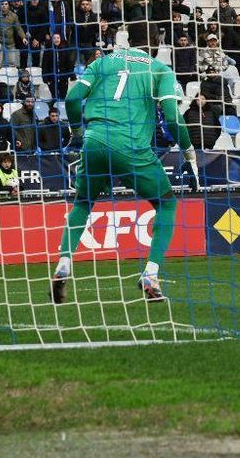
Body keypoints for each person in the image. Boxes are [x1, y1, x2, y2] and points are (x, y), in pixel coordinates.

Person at [52, 23, 199, 304]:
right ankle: (151, 274)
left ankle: (64, 262)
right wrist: (190, 153)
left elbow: (72, 98)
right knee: (167, 203)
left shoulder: (103, 62)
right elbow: (172, 118)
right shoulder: (160, 69)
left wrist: (77, 133)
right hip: (131, 146)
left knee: (83, 203)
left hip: (94, 141)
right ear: (155, 42)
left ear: (125, 40)